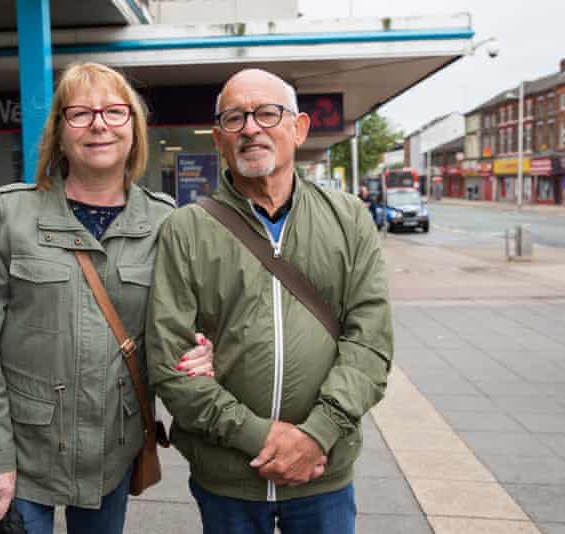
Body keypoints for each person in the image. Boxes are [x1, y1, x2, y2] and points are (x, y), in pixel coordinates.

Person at [0, 62, 215, 534]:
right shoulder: (12, 213)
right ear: (59, 133)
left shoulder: (165, 222)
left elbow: (182, 325)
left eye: (115, 112)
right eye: (81, 113)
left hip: (111, 450)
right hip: (24, 452)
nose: (99, 124)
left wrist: (202, 349)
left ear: (133, 132)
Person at [146, 68, 394, 534]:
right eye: (235, 119)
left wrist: (317, 435)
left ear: (298, 128)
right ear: (219, 140)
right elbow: (169, 360)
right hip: (229, 479)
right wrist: (261, 436)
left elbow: (371, 343)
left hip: (324, 476)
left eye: (266, 113)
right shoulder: (186, 230)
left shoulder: (349, 219)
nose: (251, 128)